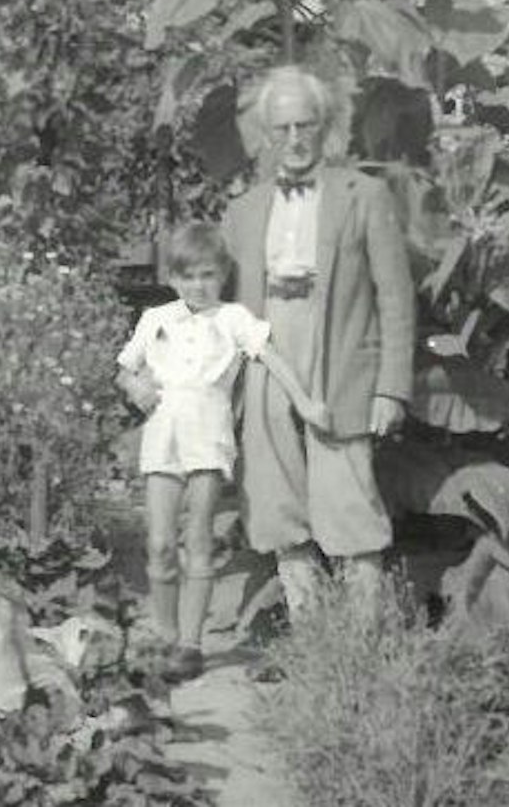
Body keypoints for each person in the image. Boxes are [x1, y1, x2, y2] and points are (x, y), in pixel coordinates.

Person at [221, 65, 415, 619]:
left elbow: (396, 298)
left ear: (326, 125)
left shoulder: (365, 195)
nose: (295, 139)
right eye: (281, 128)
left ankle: (362, 645)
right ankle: (314, 643)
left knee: (348, 497)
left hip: (339, 351)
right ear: (264, 134)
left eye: (305, 125)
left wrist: (391, 388)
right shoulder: (244, 210)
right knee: (276, 497)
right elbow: (222, 305)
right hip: (266, 350)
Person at [115, 221, 329, 679]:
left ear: (222, 275)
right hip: (162, 432)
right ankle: (166, 634)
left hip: (207, 437)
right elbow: (125, 370)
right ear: (173, 278)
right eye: (188, 276)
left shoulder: (233, 319)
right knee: (158, 542)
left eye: (207, 275)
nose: (198, 285)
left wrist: (306, 402)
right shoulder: (157, 320)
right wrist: (135, 387)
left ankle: (190, 647)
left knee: (197, 539)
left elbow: (273, 358)